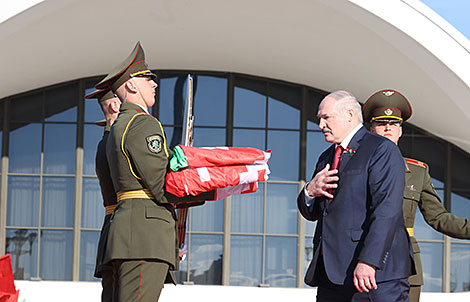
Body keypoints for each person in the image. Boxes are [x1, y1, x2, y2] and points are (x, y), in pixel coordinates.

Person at [297, 90, 415, 301]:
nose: (321, 125)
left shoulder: (381, 149)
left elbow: (386, 210)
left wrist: (369, 261)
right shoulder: (327, 156)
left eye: (326, 117)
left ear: (349, 115)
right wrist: (309, 191)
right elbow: (313, 212)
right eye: (320, 119)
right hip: (332, 276)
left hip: (375, 276)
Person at [363, 89, 470, 302]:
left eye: (393, 124)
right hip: (361, 261)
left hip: (404, 264)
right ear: (371, 128)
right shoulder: (356, 167)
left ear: (401, 130)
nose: (387, 128)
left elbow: (438, 218)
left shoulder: (418, 172)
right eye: (381, 123)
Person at [95, 42, 176, 302]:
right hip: (144, 238)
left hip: (127, 234)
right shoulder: (142, 123)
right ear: (131, 85)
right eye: (147, 79)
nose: (155, 84)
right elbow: (162, 185)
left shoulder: (118, 128)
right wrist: (211, 186)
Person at [84, 88, 121, 302]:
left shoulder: (106, 142)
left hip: (113, 227)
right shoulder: (113, 144)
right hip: (120, 227)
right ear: (115, 106)